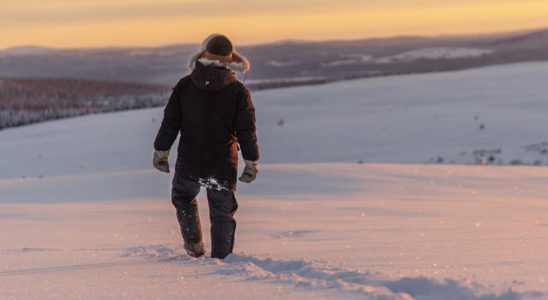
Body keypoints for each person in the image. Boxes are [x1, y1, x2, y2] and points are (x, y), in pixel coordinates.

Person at [152, 34, 259, 259]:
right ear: (231, 61)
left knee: (182, 197)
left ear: (202, 55)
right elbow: (246, 131)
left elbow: (170, 123)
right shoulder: (238, 91)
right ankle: (222, 260)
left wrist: (162, 152)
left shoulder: (185, 85)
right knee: (222, 212)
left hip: (190, 161)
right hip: (223, 164)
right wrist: (251, 163)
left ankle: (194, 246)